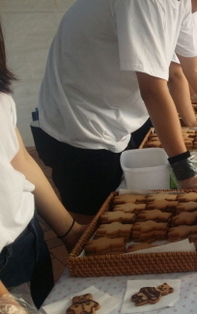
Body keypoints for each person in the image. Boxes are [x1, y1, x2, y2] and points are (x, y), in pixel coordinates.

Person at [32, 0, 197, 224]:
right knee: (93, 230)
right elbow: (153, 89)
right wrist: (186, 171)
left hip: (114, 118)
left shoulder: (183, 7)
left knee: (121, 213)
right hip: (80, 126)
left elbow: (196, 67)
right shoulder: (150, 2)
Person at [0, 22, 86, 311]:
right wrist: (5, 301)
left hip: (27, 240)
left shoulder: (1, 98)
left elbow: (19, 161)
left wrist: (70, 230)